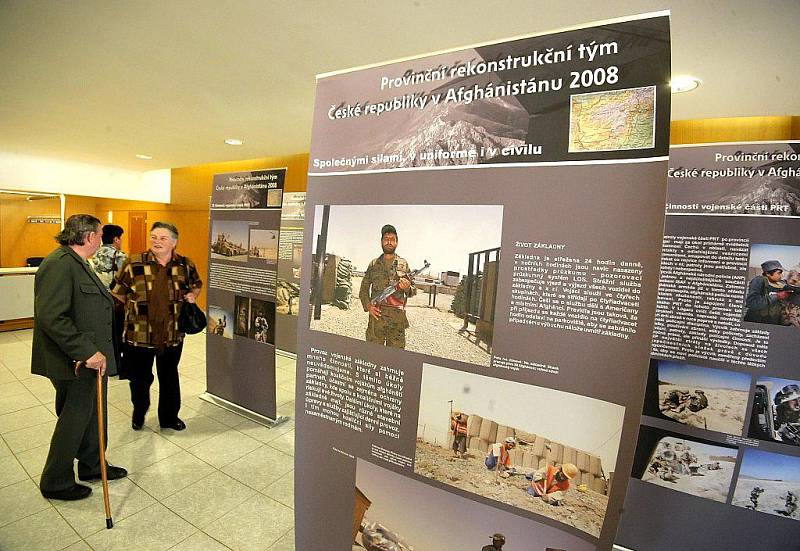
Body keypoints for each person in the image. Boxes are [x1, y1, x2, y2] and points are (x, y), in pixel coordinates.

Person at [31, 214, 127, 500]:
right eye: (99, 235)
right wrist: (87, 352)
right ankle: (56, 481)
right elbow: (52, 317)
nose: (101, 239)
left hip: (91, 359)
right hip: (73, 361)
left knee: (93, 416)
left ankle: (92, 465)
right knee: (74, 420)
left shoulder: (77, 262)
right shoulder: (59, 265)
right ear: (87, 237)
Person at [111, 221, 202, 431]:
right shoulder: (133, 263)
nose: (157, 242)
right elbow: (117, 291)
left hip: (172, 334)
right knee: (140, 380)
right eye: (154, 237)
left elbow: (196, 284)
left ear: (174, 242)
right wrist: (141, 308)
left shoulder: (185, 264)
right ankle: (139, 411)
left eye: (163, 238)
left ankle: (169, 418)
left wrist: (191, 295)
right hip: (139, 335)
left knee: (169, 376)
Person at [358, 224, 415, 348]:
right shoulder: (374, 264)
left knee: (395, 361)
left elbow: (413, 290)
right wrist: (368, 306)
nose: (389, 242)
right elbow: (363, 289)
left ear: (397, 243)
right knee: (372, 357)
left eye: (392, 239)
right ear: (381, 242)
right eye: (386, 239)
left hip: (397, 322)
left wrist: (407, 288)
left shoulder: (403, 264)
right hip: (376, 321)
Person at [89, 224, 128, 376]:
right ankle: (117, 365)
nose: (121, 241)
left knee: (106, 333)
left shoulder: (96, 253)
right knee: (118, 332)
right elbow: (125, 279)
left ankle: (107, 362)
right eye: (120, 238)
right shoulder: (119, 256)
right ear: (115, 239)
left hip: (98, 299)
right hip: (115, 299)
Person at [744, 260, 790, 324]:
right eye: (778, 273)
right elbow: (752, 303)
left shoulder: (781, 283)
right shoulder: (759, 280)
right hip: (757, 323)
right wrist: (777, 296)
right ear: (768, 274)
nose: (781, 276)